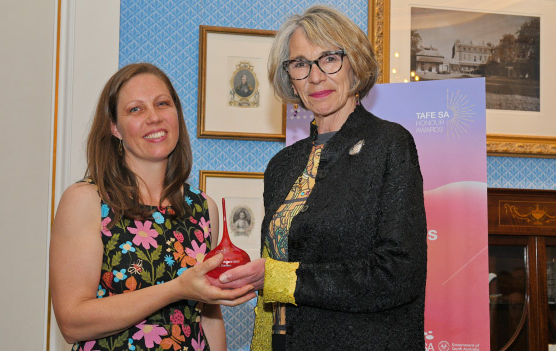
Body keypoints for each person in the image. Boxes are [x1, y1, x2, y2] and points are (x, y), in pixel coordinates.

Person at [211, 5, 427, 350]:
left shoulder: (389, 144)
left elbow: (399, 275)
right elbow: (272, 273)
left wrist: (281, 278)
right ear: (290, 79)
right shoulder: (282, 165)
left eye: (329, 58)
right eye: (300, 64)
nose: (315, 77)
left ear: (354, 63)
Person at [49, 63, 255, 351]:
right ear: (114, 128)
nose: (154, 117)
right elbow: (71, 322)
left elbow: (208, 318)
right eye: (136, 109)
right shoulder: (87, 201)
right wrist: (176, 290)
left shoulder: (203, 208)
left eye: (162, 104)